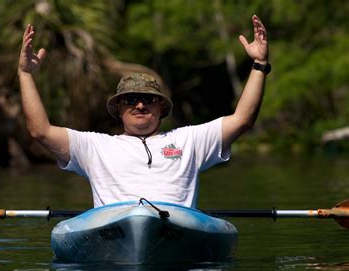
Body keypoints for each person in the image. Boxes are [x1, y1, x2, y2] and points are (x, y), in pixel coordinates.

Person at [18, 15, 269, 208]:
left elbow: (242, 119)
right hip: (116, 234)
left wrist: (259, 65)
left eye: (148, 99)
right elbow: (40, 131)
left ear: (161, 107)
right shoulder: (95, 146)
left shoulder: (189, 140)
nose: (140, 105)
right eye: (131, 99)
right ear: (118, 108)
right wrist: (25, 74)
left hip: (177, 235)